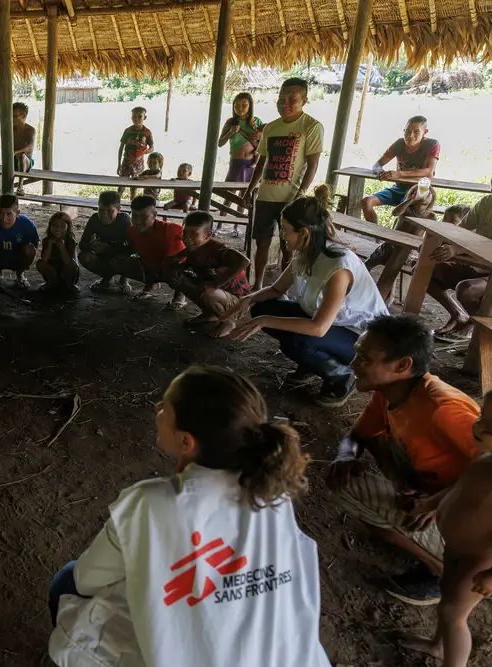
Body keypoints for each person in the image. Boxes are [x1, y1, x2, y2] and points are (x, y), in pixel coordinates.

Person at [47, 366, 330, 667]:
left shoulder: (148, 503)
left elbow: (87, 581)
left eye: (164, 407)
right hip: (293, 657)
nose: (157, 409)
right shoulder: (274, 492)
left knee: (66, 581)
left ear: (186, 442)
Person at [326, 315, 481, 606]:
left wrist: (436, 503)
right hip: (433, 489)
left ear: (402, 366)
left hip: (469, 513)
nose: (353, 365)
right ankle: (421, 535)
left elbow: (488, 471)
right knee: (375, 443)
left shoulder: (444, 410)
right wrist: (346, 455)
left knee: (350, 490)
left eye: (364, 358)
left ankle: (444, 572)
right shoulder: (391, 393)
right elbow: (357, 436)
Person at [225, 187, 388, 407]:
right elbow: (275, 289)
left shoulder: (338, 267)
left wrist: (263, 321)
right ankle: (313, 363)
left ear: (304, 233)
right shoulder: (307, 252)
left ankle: (342, 376)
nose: (282, 234)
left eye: (285, 229)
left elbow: (319, 328)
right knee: (262, 307)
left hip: (360, 338)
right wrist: (249, 298)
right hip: (331, 325)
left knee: (299, 341)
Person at [397, 390, 492, 666]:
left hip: (480, 561)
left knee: (453, 613)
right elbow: (458, 489)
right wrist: (430, 504)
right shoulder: (484, 459)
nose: (479, 425)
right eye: (483, 415)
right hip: (456, 548)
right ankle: (438, 645)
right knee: (447, 597)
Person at [243, 78, 324, 290]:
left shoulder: (312, 127)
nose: (285, 104)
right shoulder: (271, 128)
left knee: (289, 246)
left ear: (304, 100)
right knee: (261, 242)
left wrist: (300, 194)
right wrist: (251, 187)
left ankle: (282, 288)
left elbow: (313, 164)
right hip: (265, 196)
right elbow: (262, 160)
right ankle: (258, 284)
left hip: (290, 199)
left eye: (292, 99)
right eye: (281, 99)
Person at [168, 211, 251, 337]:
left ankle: (228, 322)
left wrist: (216, 284)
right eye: (185, 232)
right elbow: (174, 261)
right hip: (217, 294)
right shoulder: (192, 248)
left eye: (194, 234)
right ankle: (210, 314)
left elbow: (244, 261)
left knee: (208, 291)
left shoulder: (219, 250)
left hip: (237, 301)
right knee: (178, 278)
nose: (186, 238)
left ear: (208, 235)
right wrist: (176, 267)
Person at [427, 194, 491, 339]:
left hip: (488, 271)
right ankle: (458, 315)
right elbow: (462, 230)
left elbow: (487, 244)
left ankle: (477, 330)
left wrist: (458, 250)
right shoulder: (487, 201)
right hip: (476, 265)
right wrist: (435, 245)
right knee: (427, 271)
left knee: (466, 290)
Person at [364, 184, 438, 303]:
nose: (425, 194)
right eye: (422, 191)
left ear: (432, 198)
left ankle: (383, 298)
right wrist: (411, 200)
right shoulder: (406, 210)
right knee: (368, 263)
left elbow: (432, 235)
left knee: (393, 268)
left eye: (429, 193)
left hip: (408, 251)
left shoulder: (430, 216)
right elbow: (395, 212)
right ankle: (359, 285)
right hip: (389, 245)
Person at [363, 116, 440, 225]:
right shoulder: (399, 144)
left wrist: (398, 174)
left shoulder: (432, 144)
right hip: (399, 188)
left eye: (416, 132)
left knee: (402, 212)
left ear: (425, 132)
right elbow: (377, 164)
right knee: (367, 202)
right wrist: (380, 172)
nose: (410, 135)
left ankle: (393, 240)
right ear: (403, 131)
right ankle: (376, 236)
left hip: (417, 190)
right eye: (407, 131)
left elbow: (428, 171)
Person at [114, 195, 185, 304]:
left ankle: (180, 293)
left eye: (143, 216)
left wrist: (178, 257)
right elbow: (130, 248)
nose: (137, 221)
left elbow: (198, 242)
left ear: (154, 215)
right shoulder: (132, 231)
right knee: (123, 261)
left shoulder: (171, 229)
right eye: (135, 216)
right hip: (152, 267)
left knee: (174, 267)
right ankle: (151, 285)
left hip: (176, 269)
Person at [218, 92, 264, 237]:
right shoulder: (230, 122)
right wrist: (231, 133)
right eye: (237, 105)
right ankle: (219, 224)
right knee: (228, 196)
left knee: (244, 197)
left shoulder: (256, 122)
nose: (240, 108)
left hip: (251, 164)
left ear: (250, 106)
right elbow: (220, 143)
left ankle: (236, 227)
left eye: (244, 105)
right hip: (236, 163)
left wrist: (260, 137)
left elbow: (263, 144)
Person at [0, 194, 39, 289]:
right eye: (0, 213)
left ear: (17, 213)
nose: (4, 218)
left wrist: (25, 259)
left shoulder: (27, 225)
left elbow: (35, 245)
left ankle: (20, 274)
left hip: (17, 257)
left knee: (30, 249)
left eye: (9, 214)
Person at [78, 190, 132, 293]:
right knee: (84, 256)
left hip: (120, 255)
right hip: (103, 256)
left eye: (109, 211)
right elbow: (82, 244)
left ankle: (124, 279)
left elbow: (131, 245)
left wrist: (110, 247)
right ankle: (107, 278)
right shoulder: (94, 219)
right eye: (101, 210)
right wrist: (91, 246)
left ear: (118, 209)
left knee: (128, 256)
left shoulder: (124, 220)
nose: (104, 214)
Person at [116, 107, 154, 199]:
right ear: (131, 117)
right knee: (121, 186)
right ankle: (116, 204)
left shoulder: (147, 132)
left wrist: (144, 151)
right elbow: (121, 148)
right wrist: (119, 165)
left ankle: (132, 208)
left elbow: (152, 148)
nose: (136, 119)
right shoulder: (128, 131)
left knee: (134, 187)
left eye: (140, 116)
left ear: (144, 117)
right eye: (134, 117)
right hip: (126, 162)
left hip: (138, 164)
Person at [36, 212, 79, 294]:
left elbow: (68, 262)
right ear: (50, 226)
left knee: (72, 265)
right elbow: (44, 260)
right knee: (40, 263)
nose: (58, 229)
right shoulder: (46, 240)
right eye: (55, 226)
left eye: (62, 226)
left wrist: (62, 247)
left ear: (68, 227)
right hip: (52, 269)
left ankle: (69, 283)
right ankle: (50, 282)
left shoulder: (70, 241)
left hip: (66, 270)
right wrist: (50, 245)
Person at [12, 102, 36, 195]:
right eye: (11, 115)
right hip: (12, 159)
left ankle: (20, 185)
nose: (12, 118)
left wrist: (17, 152)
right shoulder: (11, 129)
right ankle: (8, 185)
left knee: (21, 156)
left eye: (15, 116)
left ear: (23, 115)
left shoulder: (30, 130)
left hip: (26, 162)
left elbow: (29, 147)